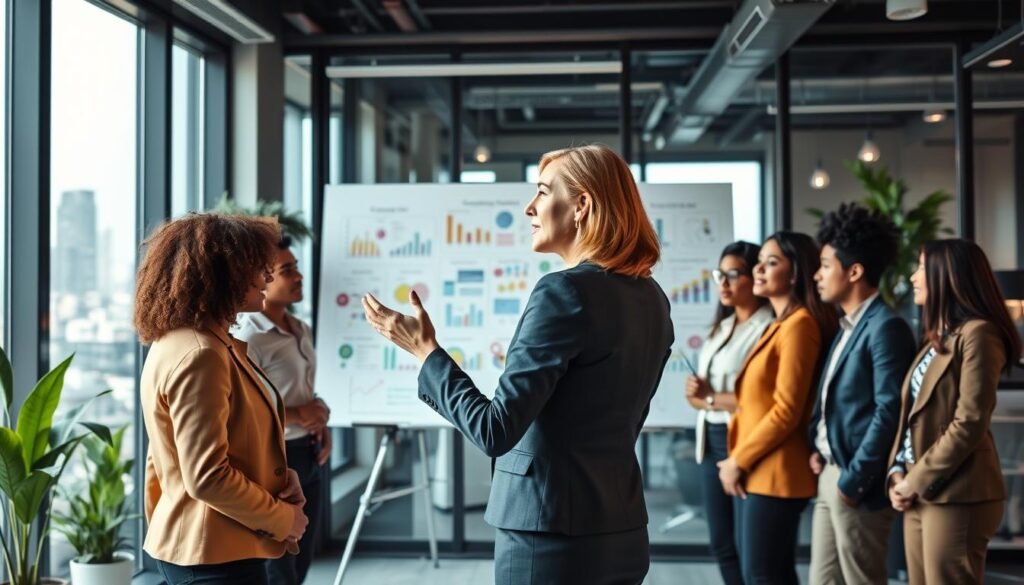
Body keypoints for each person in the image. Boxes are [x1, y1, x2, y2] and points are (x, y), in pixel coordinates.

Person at [362, 144, 673, 585]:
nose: (529, 207)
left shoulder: (563, 292)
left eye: (544, 192)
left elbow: (495, 430)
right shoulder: (652, 299)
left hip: (548, 537)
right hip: (620, 529)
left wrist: (426, 352)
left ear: (582, 204)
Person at [136, 213, 308, 585]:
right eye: (255, 266)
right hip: (215, 556)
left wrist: (277, 479)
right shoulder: (202, 354)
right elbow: (207, 476)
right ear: (221, 274)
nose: (265, 276)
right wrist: (282, 518)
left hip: (209, 546)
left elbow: (161, 459)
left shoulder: (186, 342)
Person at [887, 239, 1020, 584]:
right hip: (919, 489)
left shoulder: (979, 334)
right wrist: (898, 472)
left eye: (920, 268)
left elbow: (970, 421)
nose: (913, 277)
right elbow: (913, 416)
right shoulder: (939, 336)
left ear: (947, 275)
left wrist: (915, 480)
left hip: (958, 492)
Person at [807, 204, 916, 585]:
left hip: (856, 482)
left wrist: (854, 480)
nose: (817, 275)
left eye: (824, 265)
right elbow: (836, 401)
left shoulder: (886, 327)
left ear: (854, 271)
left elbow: (890, 409)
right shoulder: (848, 326)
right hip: (832, 471)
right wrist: (820, 447)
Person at [721, 231, 837, 585]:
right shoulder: (781, 324)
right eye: (759, 263)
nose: (759, 270)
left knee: (762, 576)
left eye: (772, 263)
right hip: (759, 470)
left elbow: (786, 410)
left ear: (796, 273)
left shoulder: (800, 326)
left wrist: (738, 459)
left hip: (776, 472)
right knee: (769, 573)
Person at [233, 235, 330, 585]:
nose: (298, 276)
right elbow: (244, 410)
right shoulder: (249, 337)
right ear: (261, 278)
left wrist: (320, 419)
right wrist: (298, 414)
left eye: (296, 267)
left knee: (303, 558)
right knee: (279, 567)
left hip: (311, 452)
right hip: (276, 458)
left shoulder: (301, 329)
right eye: (286, 270)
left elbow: (300, 392)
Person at [685, 241, 773, 585]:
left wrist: (708, 398)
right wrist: (699, 396)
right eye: (720, 274)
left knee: (749, 550)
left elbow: (759, 399)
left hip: (744, 442)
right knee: (721, 544)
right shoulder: (720, 328)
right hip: (710, 441)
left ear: (754, 277)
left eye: (733, 274)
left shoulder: (766, 329)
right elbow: (705, 398)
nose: (723, 282)